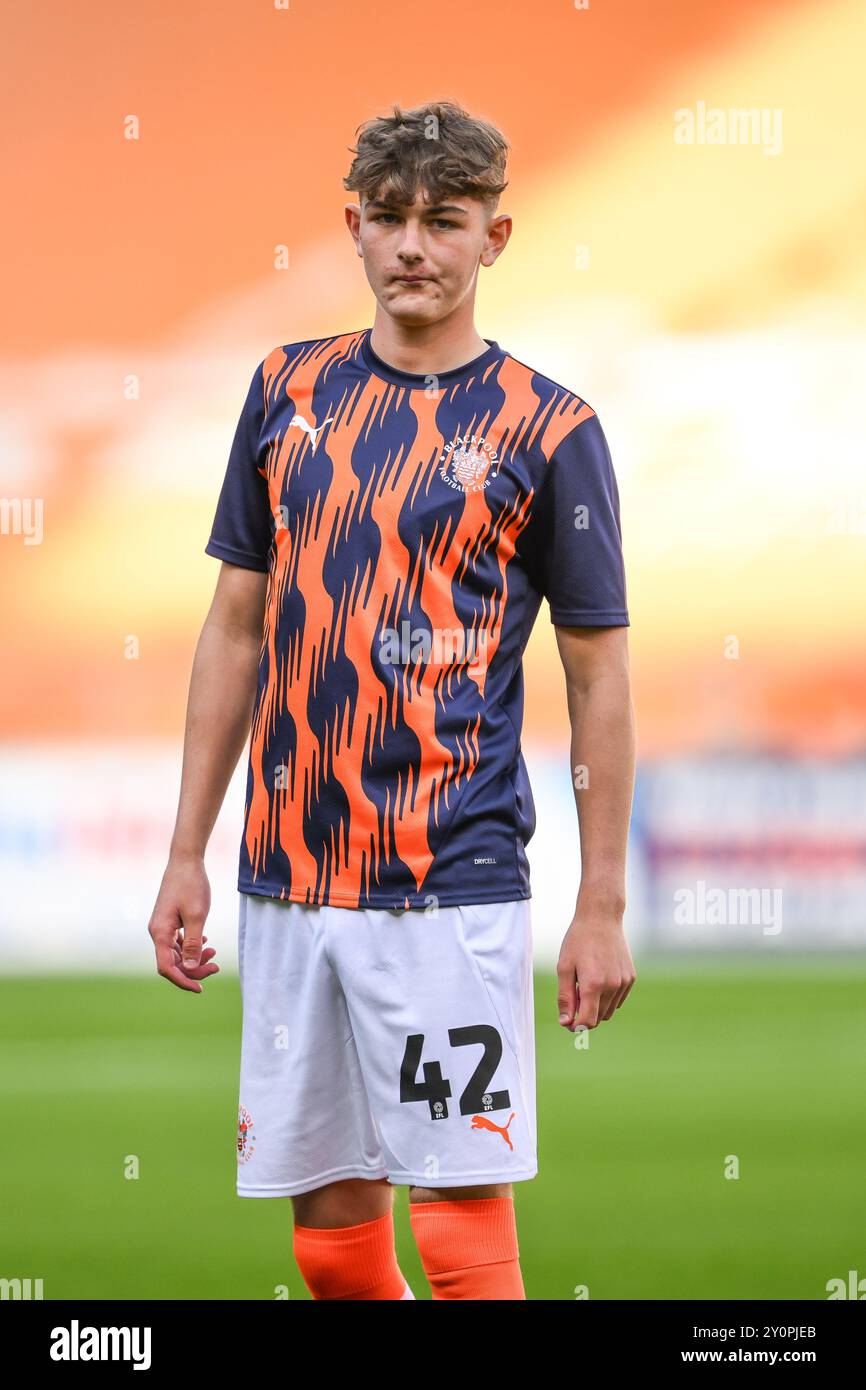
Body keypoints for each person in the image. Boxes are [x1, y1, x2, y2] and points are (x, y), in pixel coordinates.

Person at [148, 99, 637, 1301]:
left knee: (460, 1223)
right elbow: (235, 627)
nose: (414, 246)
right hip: (286, 875)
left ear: (494, 237)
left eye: (444, 221)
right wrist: (184, 852)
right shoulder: (285, 391)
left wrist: (601, 904)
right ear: (352, 229)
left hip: (449, 880)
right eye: (391, 220)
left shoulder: (549, 426)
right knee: (327, 1227)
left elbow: (597, 676)